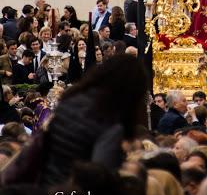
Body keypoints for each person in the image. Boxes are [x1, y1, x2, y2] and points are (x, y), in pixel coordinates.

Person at [35, 55, 147, 186]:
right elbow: (100, 174)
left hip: (48, 183)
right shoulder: (108, 119)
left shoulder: (71, 99)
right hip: (77, 194)